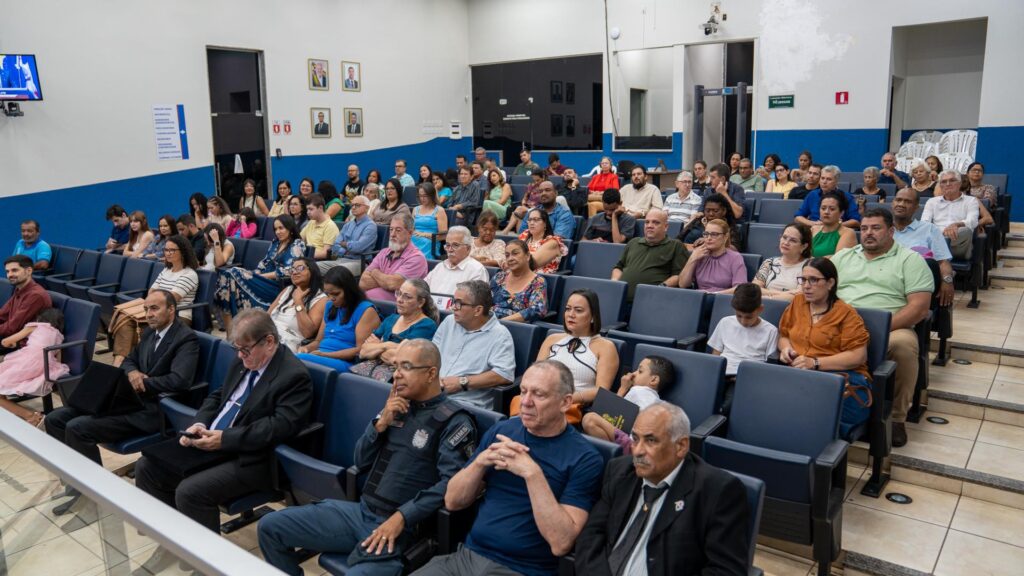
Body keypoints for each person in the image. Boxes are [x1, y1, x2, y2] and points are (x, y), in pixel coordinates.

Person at [259, 339, 475, 576]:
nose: (397, 375)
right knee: (270, 527)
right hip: (361, 512)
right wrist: (380, 424)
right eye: (396, 367)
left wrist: (403, 516)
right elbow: (360, 460)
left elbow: (449, 484)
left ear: (431, 373)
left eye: (406, 367)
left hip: (402, 529)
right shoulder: (395, 406)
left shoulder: (454, 421)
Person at [131, 308, 312, 562]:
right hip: (213, 439)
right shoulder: (245, 358)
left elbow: (280, 427)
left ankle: (209, 562)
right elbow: (220, 395)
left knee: (190, 491)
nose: (239, 355)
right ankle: (172, 543)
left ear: (269, 341)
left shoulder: (293, 376)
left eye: (245, 349)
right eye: (236, 348)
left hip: (252, 456)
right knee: (147, 466)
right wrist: (200, 423)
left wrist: (224, 439)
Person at [413, 361, 603, 576]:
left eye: (539, 394)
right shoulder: (503, 431)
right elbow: (453, 502)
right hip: (465, 558)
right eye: (523, 391)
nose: (526, 402)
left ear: (565, 402)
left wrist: (533, 474)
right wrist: (479, 462)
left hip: (521, 570)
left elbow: (561, 543)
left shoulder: (585, 458)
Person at [46, 290, 200, 514]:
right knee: (55, 419)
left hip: (153, 410)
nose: (149, 314)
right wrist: (133, 373)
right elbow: (129, 361)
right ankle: (75, 483)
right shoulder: (149, 333)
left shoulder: (185, 338)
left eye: (154, 308)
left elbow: (180, 380)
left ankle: (95, 494)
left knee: (78, 428)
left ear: (172, 310)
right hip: (128, 399)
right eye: (146, 309)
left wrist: (144, 383)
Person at [574, 402, 751, 576]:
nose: (637, 451)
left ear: (681, 446)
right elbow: (590, 537)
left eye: (651, 441)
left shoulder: (717, 491)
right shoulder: (620, 471)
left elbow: (725, 570)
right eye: (635, 439)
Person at [831, 208, 933, 447]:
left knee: (905, 346)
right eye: (864, 228)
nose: (868, 233)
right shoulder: (844, 257)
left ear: (891, 231)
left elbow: (918, 308)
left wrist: (877, 329)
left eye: (875, 228)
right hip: (841, 324)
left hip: (890, 327)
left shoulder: (910, 260)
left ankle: (896, 417)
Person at [779, 258, 873, 438]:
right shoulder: (797, 303)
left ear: (830, 283)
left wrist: (814, 363)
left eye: (814, 280)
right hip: (800, 375)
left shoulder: (846, 314)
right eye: (803, 280)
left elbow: (858, 356)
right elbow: (783, 335)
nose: (806, 286)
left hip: (839, 378)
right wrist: (786, 349)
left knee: (807, 414)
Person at [109, 236, 199, 365]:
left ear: (183, 252)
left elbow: (171, 300)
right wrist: (155, 301)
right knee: (125, 317)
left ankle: (121, 363)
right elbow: (150, 293)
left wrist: (155, 300)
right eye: (166, 250)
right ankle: (120, 361)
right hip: (157, 310)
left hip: (177, 315)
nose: (167, 253)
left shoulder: (189, 274)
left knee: (128, 321)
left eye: (172, 250)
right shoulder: (166, 270)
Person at [215, 215, 307, 334]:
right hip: (262, 281)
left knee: (233, 272)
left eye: (281, 228)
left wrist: (260, 277)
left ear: (290, 228)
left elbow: (291, 270)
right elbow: (263, 264)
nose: (278, 232)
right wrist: (252, 275)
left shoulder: (297, 243)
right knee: (228, 277)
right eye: (276, 229)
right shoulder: (275, 243)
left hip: (278, 286)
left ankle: (231, 331)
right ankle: (231, 330)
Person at [431, 280, 514, 410]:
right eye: (453, 301)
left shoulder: (500, 335)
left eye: (459, 303)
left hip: (464, 403)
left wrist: (462, 382)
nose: (453, 307)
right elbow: (432, 353)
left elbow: (504, 374)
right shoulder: (449, 322)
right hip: (433, 393)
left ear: (478, 310)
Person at [537, 288, 619, 407]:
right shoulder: (552, 339)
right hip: (540, 398)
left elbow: (601, 391)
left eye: (578, 310)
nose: (571, 314)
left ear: (592, 317)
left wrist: (564, 399)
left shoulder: (606, 347)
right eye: (568, 309)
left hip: (571, 405)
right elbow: (535, 374)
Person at [351, 280, 439, 381]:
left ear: (421, 302)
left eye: (407, 297)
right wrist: (387, 345)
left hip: (398, 379)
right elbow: (364, 350)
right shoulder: (391, 319)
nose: (399, 300)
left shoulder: (426, 325)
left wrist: (378, 346)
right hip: (367, 371)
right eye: (399, 294)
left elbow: (401, 359)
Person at [298, 266, 381, 372]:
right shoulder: (329, 306)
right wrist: (306, 348)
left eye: (336, 294)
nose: (331, 298)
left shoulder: (365, 310)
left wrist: (327, 355)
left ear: (349, 290)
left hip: (345, 363)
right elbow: (318, 341)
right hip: (321, 356)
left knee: (298, 360)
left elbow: (361, 350)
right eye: (327, 294)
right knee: (292, 356)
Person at [580, 356, 668, 450]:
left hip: (635, 445)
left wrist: (623, 388)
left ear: (654, 380)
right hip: (649, 446)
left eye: (640, 371)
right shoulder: (657, 400)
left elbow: (610, 412)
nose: (633, 374)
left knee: (590, 419)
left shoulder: (637, 391)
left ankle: (616, 457)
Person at [0, 308, 67, 425]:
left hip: (26, 362)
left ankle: (32, 416)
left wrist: (11, 344)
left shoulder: (35, 326)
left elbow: (6, 342)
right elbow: (58, 360)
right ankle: (11, 412)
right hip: (44, 365)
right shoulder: (59, 336)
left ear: (40, 319)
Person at [891, 188, 955, 307]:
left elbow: (942, 261)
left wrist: (947, 281)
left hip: (917, 285)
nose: (901, 204)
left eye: (907, 201)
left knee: (930, 263)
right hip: (888, 280)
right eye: (898, 200)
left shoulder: (929, 229)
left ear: (916, 207)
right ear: (892, 203)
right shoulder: (882, 229)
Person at [613, 209, 689, 302]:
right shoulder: (633, 242)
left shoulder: (675, 245)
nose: (649, 226)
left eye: (655, 223)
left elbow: (679, 276)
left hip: (652, 301)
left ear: (665, 227)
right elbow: (619, 267)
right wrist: (615, 283)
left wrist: (661, 287)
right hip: (620, 299)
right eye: (647, 222)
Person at [709, 283, 779, 377]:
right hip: (724, 373)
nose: (743, 321)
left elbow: (770, 366)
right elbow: (716, 355)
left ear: (760, 309)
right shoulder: (725, 322)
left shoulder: (771, 331)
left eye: (749, 317)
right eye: (739, 316)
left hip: (752, 375)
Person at [361, 213, 429, 303]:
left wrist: (374, 272)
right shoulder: (384, 252)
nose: (392, 234)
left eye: (398, 230)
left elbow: (392, 284)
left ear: (410, 233)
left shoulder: (417, 258)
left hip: (394, 309)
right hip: (368, 304)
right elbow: (363, 282)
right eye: (391, 229)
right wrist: (385, 282)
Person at [267, 257, 327, 352]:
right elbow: (267, 316)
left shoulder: (321, 299)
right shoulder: (288, 290)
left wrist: (298, 301)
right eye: (292, 270)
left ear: (312, 271)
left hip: (286, 343)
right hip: (267, 334)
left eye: (300, 268)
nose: (294, 272)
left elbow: (307, 333)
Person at [921, 169, 981, 260]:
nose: (948, 184)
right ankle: (943, 262)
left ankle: (934, 254)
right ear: (940, 185)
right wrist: (941, 232)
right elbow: (925, 222)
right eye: (944, 182)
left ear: (959, 183)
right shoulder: (932, 202)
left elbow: (972, 221)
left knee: (966, 231)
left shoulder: (971, 201)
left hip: (958, 246)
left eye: (952, 180)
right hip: (936, 237)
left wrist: (956, 225)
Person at [744, 222, 811, 301]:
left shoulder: (809, 266)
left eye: (793, 240)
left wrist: (765, 296)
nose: (786, 243)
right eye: (784, 237)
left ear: (804, 246)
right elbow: (754, 288)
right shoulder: (769, 262)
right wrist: (783, 294)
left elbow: (799, 295)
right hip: (764, 305)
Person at [0, 255, 52, 354]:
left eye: (14, 270)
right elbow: (3, 314)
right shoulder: (20, 288)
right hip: (10, 336)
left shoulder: (36, 295)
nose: (10, 275)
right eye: (7, 271)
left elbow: (11, 328)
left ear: (28, 271)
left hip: (21, 344)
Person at [678, 219, 746, 292]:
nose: (709, 238)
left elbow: (739, 288)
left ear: (725, 237)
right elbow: (683, 284)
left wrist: (713, 294)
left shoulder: (735, 257)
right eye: (706, 234)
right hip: (699, 299)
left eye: (714, 234)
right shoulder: (699, 255)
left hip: (723, 299)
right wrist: (692, 258)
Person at [490, 239, 548, 322]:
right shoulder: (499, 277)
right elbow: (485, 302)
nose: (510, 258)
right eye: (507, 255)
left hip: (517, 327)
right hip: (490, 324)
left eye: (515, 253)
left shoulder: (538, 282)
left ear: (527, 256)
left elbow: (536, 310)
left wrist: (501, 322)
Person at [425, 226, 489, 297]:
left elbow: (474, 302)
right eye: (448, 245)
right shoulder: (440, 266)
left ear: (468, 249)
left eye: (455, 245)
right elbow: (422, 289)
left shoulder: (477, 271)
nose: (450, 249)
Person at [794, 165, 861, 229]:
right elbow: (798, 217)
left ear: (836, 181)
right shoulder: (812, 195)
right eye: (822, 178)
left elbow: (856, 221)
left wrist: (833, 225)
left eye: (829, 179)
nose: (824, 182)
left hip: (837, 232)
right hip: (814, 230)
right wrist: (812, 223)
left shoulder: (846, 197)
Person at [323, 194, 377, 273]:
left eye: (357, 205)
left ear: (366, 208)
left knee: (336, 271)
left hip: (360, 262)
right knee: (314, 267)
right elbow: (335, 245)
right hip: (341, 259)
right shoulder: (348, 224)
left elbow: (359, 247)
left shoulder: (370, 226)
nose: (353, 207)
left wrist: (345, 244)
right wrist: (344, 251)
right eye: (352, 205)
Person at [518, 208, 568, 274]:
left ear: (545, 223)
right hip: (520, 274)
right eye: (530, 220)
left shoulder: (552, 242)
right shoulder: (524, 236)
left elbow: (531, 264)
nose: (532, 223)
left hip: (539, 279)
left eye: (536, 220)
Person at [811, 192, 858, 257]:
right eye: (823, 208)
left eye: (832, 209)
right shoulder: (813, 229)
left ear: (841, 213)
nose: (826, 212)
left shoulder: (848, 233)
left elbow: (838, 259)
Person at [411, 182, 449, 259]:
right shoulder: (415, 209)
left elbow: (444, 235)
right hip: (415, 237)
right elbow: (411, 228)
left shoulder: (439, 210)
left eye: (425, 196)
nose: (422, 199)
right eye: (420, 196)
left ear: (431, 195)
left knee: (425, 242)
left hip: (430, 241)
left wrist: (424, 234)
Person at [299, 193, 341, 261]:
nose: (308, 212)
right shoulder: (311, 222)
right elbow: (299, 240)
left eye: (311, 209)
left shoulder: (330, 226)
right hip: (307, 258)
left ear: (320, 208)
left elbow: (325, 254)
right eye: (307, 209)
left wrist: (304, 254)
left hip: (318, 261)